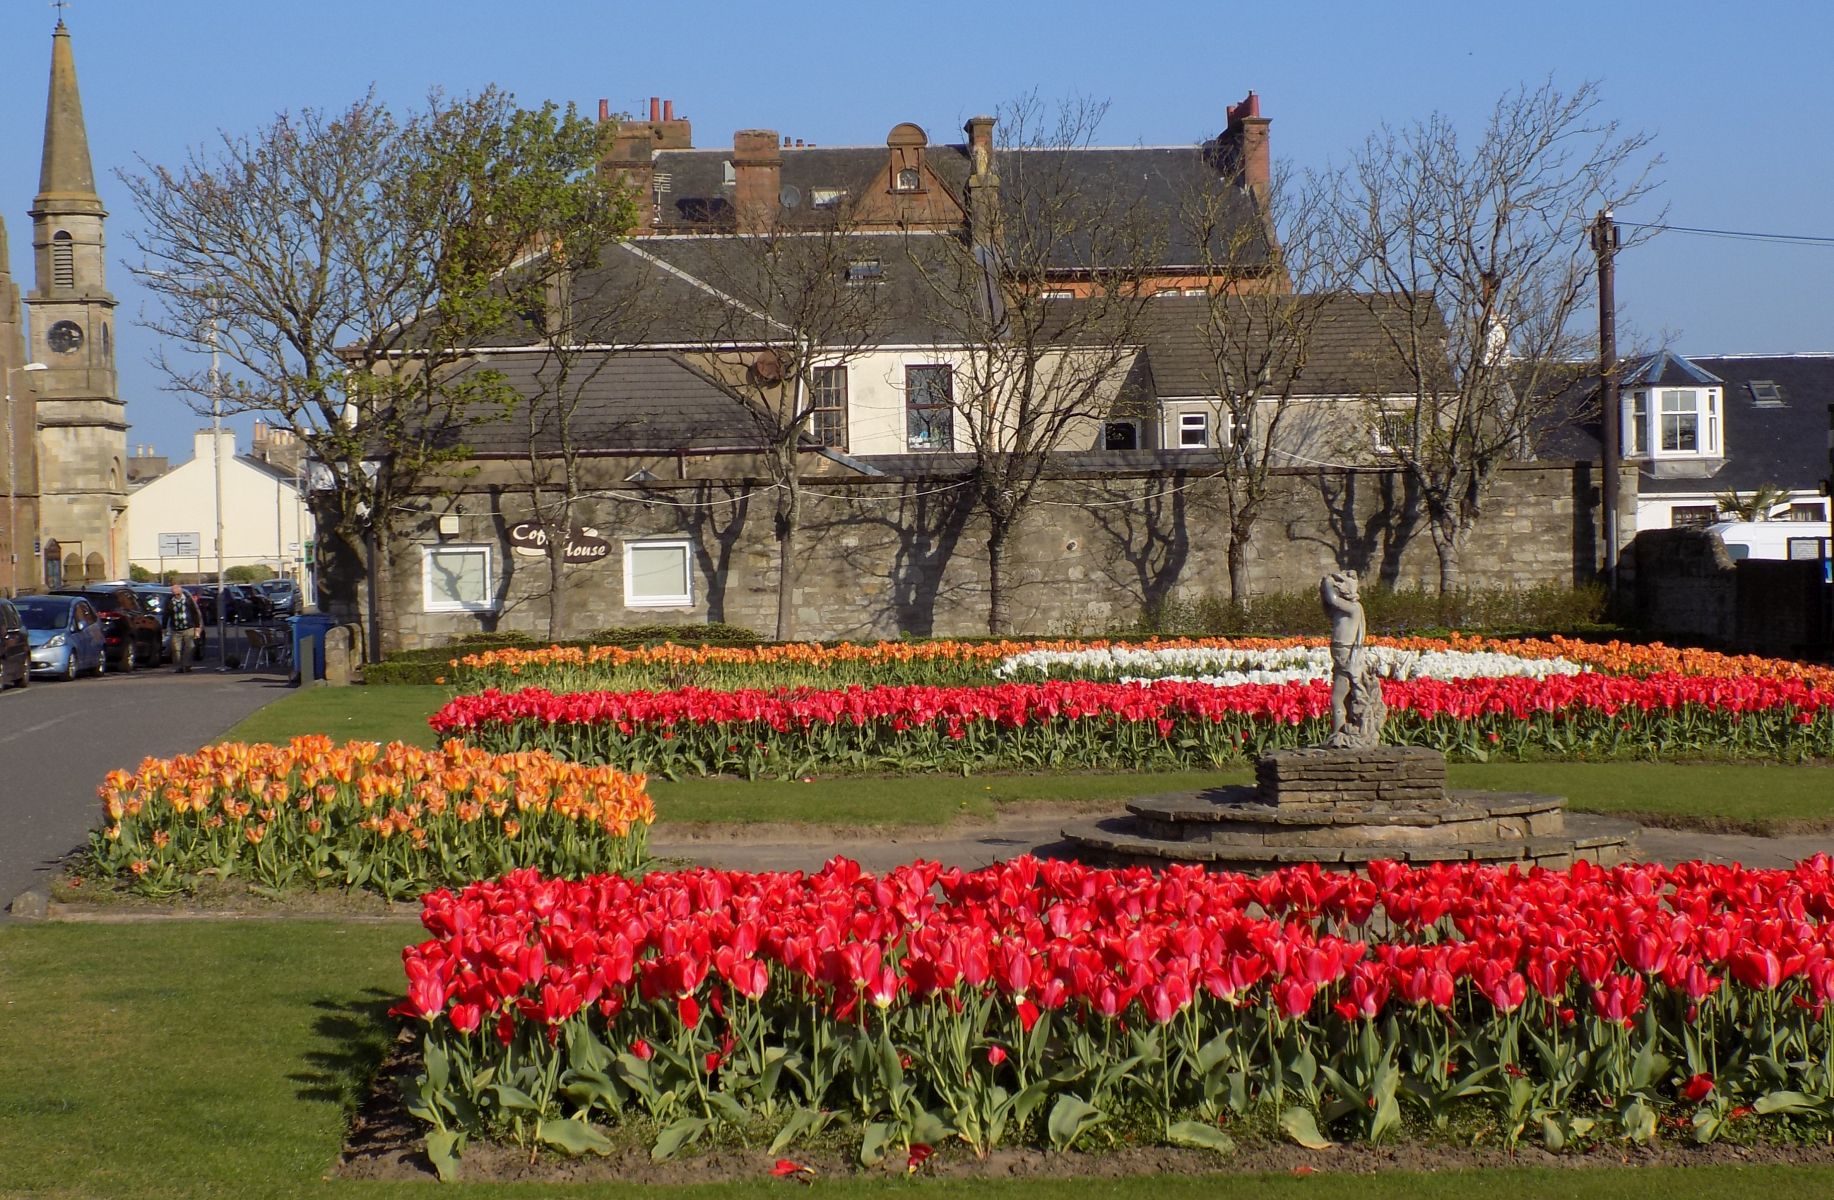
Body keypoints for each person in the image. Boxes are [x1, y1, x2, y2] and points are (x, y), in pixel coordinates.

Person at [169, 581, 201, 672]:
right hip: (176, 628)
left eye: (177, 591)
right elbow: (167, 614)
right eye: (173, 591)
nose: (175, 593)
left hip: (188, 627)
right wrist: (164, 627)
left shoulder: (188, 600)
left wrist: (197, 627)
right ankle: (178, 666)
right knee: (176, 649)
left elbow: (195, 613)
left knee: (190, 647)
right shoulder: (170, 601)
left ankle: (187, 665)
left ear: (181, 591)